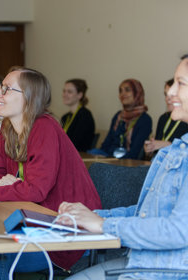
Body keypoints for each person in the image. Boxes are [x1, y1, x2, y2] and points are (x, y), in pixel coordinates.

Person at [0, 67, 101, 278]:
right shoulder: (7, 130)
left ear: (29, 97)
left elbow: (35, 191)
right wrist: (15, 186)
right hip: (28, 222)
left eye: (6, 90)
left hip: (65, 233)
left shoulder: (45, 128)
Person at [59, 54, 188, 280]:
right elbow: (145, 214)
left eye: (181, 83)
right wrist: (91, 216)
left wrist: (104, 224)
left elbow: (178, 231)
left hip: (166, 271)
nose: (170, 92)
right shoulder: (175, 150)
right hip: (142, 261)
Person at [88, 79, 152, 159]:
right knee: (91, 153)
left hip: (127, 161)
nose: (123, 94)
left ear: (137, 93)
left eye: (127, 90)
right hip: (109, 156)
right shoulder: (118, 116)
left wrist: (109, 159)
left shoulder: (145, 119)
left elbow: (134, 153)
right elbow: (106, 144)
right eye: (120, 91)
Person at [144, 78, 188, 156]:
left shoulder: (186, 120)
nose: (167, 99)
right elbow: (155, 153)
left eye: (173, 95)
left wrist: (167, 145)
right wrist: (150, 148)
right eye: (166, 94)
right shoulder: (163, 118)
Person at [61, 79, 95, 152]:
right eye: (64, 91)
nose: (65, 94)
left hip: (79, 157)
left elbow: (75, 143)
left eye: (69, 92)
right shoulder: (65, 117)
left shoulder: (85, 115)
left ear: (80, 95)